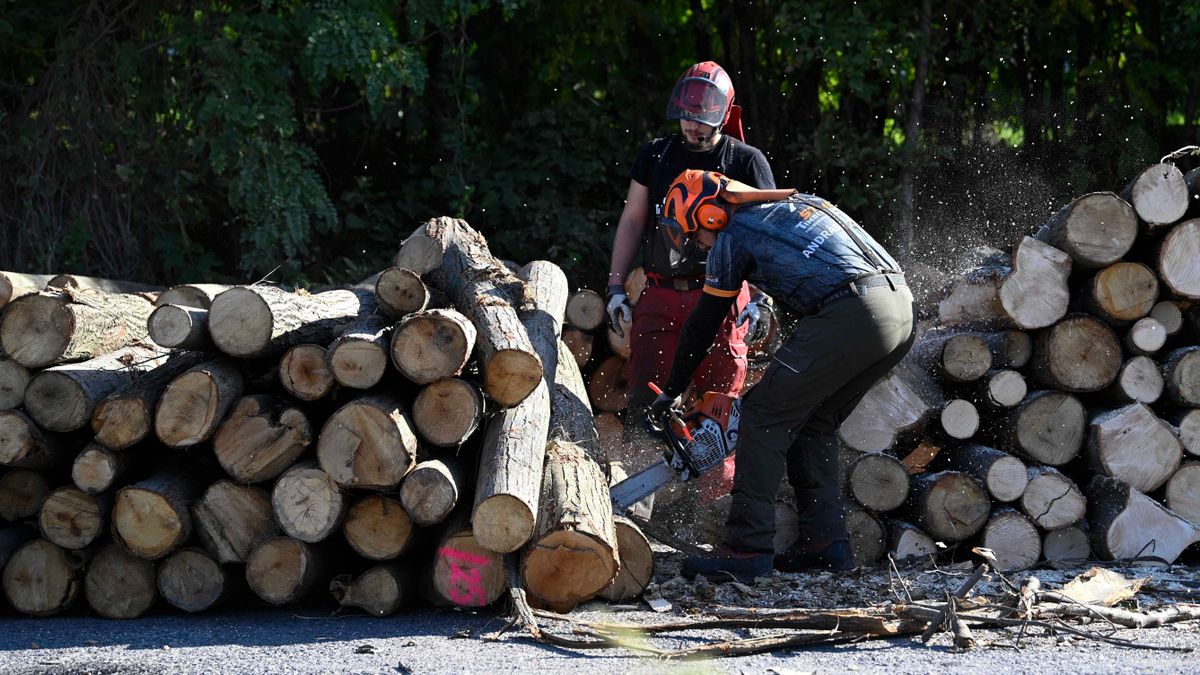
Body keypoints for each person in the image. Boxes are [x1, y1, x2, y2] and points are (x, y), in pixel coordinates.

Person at [649, 169, 916, 583]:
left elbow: (704, 323)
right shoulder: (795, 206)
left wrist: (669, 391)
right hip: (899, 306)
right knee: (813, 422)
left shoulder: (733, 233)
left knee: (763, 414)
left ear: (710, 217)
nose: (696, 244)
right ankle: (826, 544)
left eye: (692, 233)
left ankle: (746, 547)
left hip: (852, 311)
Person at [606, 61, 776, 501]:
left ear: (722, 115)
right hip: (661, 294)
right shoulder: (657, 155)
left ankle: (716, 513)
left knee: (718, 411)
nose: (693, 127)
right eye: (687, 116)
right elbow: (632, 219)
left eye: (702, 119)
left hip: (721, 300)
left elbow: (769, 234)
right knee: (648, 404)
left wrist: (763, 297)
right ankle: (645, 512)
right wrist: (615, 287)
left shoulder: (745, 161)